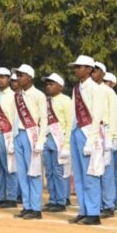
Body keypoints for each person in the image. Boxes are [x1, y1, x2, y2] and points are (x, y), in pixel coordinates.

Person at [67, 55, 106, 225]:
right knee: (80, 174)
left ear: (89, 69)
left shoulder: (96, 89)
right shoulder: (76, 89)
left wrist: (91, 139)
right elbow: (73, 114)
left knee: (91, 173)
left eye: (80, 67)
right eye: (76, 67)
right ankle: (83, 210)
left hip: (90, 132)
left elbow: (97, 115)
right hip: (77, 131)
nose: (77, 69)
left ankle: (93, 213)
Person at [13, 64, 47, 219]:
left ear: (30, 77)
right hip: (18, 134)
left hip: (31, 135)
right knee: (22, 173)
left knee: (33, 172)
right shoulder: (17, 95)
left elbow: (44, 118)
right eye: (17, 75)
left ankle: (36, 208)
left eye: (21, 75)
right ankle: (27, 206)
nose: (18, 78)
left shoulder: (38, 95)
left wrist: (41, 140)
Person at [42, 73, 72, 212]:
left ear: (60, 86)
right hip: (47, 139)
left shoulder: (66, 100)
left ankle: (61, 200)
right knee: (49, 172)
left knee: (59, 172)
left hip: (59, 139)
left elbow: (69, 124)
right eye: (47, 84)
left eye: (51, 84)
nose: (48, 86)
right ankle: (53, 199)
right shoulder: (45, 101)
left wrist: (66, 144)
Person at [91, 62, 117, 218]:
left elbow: (113, 114)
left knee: (106, 171)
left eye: (96, 71)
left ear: (103, 73)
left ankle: (108, 205)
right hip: (91, 132)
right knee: (94, 170)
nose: (93, 73)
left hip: (105, 131)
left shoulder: (108, 91)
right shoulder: (87, 89)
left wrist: (112, 137)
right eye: (92, 70)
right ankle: (97, 203)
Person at [0, 67, 18, 209]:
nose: (0, 80)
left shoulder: (14, 96)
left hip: (8, 134)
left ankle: (12, 197)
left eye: (3, 77)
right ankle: (2, 196)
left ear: (9, 79)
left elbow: (15, 119)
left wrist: (13, 139)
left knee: (10, 167)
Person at [103, 72, 117, 209]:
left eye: (106, 81)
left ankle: (115, 199)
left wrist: (116, 140)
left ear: (112, 84)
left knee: (114, 172)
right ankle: (107, 198)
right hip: (102, 140)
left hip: (113, 141)